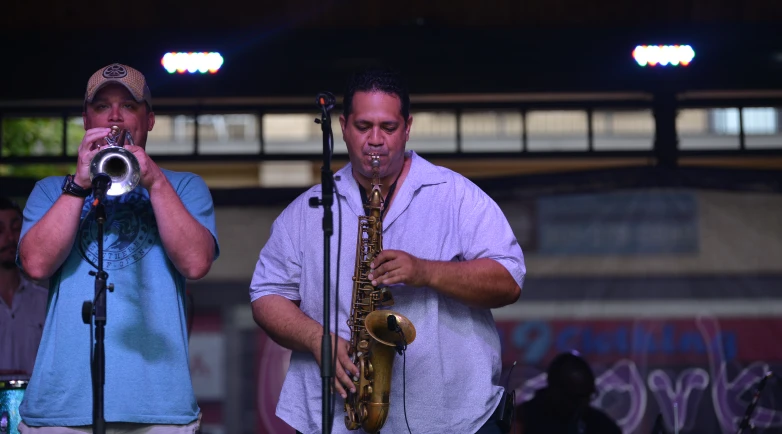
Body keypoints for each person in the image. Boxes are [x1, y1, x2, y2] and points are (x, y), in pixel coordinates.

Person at [250, 68, 525, 434]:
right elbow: (266, 294)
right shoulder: (307, 209)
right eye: (363, 127)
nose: (375, 140)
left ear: (408, 127)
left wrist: (427, 272)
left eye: (389, 128)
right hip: (332, 419)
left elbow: (509, 280)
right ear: (344, 126)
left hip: (452, 419)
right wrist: (317, 339)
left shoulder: (456, 195)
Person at [16, 63, 219, 432]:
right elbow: (35, 265)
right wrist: (79, 183)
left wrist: (154, 182)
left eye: (128, 106)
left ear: (150, 119)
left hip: (158, 407)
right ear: (85, 118)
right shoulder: (51, 190)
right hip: (62, 408)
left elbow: (195, 263)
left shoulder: (185, 187)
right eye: (102, 107)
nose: (114, 117)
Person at [516, 352, 622, 434]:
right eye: (578, 398)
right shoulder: (522, 420)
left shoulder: (600, 425)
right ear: (556, 392)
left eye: (588, 396)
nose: (584, 403)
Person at [0, 195, 47, 376]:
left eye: (16, 228)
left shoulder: (44, 301)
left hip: (34, 403)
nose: (10, 238)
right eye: (0, 230)